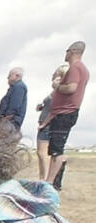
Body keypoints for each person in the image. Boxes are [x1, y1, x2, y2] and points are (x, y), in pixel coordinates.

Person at [41, 41, 87, 190]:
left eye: (67, 51)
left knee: (56, 150)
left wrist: (57, 87)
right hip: (64, 112)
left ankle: (50, 181)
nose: (65, 54)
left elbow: (71, 88)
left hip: (65, 113)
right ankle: (51, 180)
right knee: (55, 147)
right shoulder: (82, 69)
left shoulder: (75, 68)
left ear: (72, 51)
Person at [34, 66, 66, 180]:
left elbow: (56, 108)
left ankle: (45, 180)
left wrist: (45, 123)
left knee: (43, 154)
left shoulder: (59, 89)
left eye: (55, 74)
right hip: (45, 121)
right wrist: (41, 107)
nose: (52, 76)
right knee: (42, 154)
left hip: (47, 124)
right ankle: (44, 179)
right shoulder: (54, 91)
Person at [0, 67, 27, 135]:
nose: (7, 77)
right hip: (7, 121)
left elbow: (15, 105)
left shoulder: (19, 86)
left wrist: (5, 118)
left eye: (10, 75)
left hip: (10, 122)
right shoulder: (15, 87)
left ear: (17, 76)